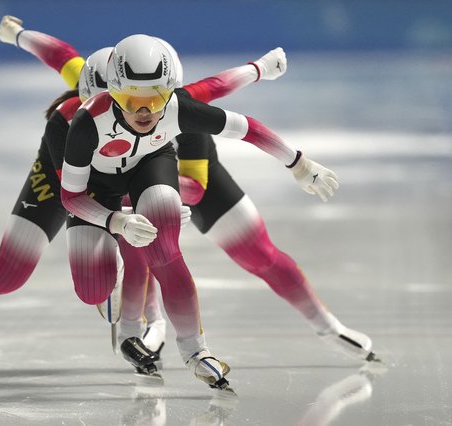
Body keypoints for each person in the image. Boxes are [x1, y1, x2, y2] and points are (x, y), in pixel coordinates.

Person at [0, 17, 284, 373]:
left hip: (114, 178)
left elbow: (208, 88)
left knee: (146, 230)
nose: (135, 114)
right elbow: (73, 189)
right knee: (10, 274)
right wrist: (19, 34)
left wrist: (259, 69)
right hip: (67, 178)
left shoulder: (141, 97)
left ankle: (142, 317)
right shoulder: (76, 119)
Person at [57, 32, 347, 390]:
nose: (144, 111)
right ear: (110, 93)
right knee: (91, 288)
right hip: (100, 189)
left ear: (170, 92)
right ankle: (116, 283)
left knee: (163, 243)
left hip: (158, 168)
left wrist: (298, 163)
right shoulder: (85, 123)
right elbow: (71, 197)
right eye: (131, 100)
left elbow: (242, 123)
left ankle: (195, 351)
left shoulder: (181, 108)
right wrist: (115, 221)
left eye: (156, 98)